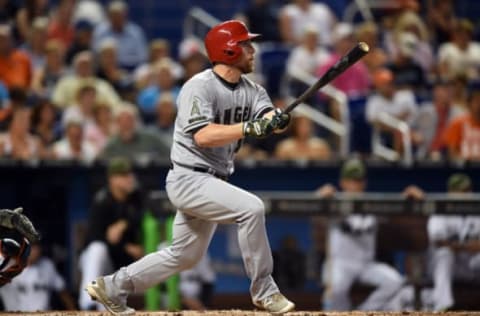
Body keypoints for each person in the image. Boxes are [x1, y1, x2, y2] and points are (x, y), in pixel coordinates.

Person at [85, 20, 295, 315]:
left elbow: (266, 117)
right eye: (245, 44)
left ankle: (112, 286)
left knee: (183, 256)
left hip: (213, 180)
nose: (252, 50)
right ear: (229, 50)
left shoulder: (253, 89)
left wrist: (277, 121)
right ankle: (264, 290)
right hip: (188, 177)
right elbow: (204, 135)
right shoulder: (199, 86)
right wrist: (251, 127)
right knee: (252, 209)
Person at [317, 159, 414, 311]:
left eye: (358, 180)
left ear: (364, 183)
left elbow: (397, 207)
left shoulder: (372, 203)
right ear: (343, 182)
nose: (355, 185)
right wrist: (320, 195)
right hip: (340, 263)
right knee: (336, 288)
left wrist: (408, 198)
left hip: (366, 265)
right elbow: (315, 209)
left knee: (395, 282)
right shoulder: (335, 202)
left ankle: (362, 312)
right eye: (351, 180)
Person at [78, 157, 146, 310]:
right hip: (99, 262)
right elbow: (94, 238)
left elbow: (142, 214)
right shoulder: (101, 202)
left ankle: (98, 304)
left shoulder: (136, 197)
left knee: (107, 310)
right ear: (112, 179)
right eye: (124, 175)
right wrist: (125, 247)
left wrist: (124, 224)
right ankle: (87, 303)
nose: (130, 179)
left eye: (129, 174)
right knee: (97, 249)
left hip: (119, 267)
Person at [424, 173, 480, 311]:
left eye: (464, 191)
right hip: (446, 268)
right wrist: (468, 246)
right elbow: (439, 243)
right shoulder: (441, 211)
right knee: (444, 254)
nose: (461, 195)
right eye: (457, 191)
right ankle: (443, 306)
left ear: (470, 192)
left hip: (470, 265)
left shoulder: (477, 211)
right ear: (449, 192)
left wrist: (455, 245)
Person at [0, 241, 76, 311]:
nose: (37, 250)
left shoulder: (47, 265)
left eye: (38, 246)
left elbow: (62, 291)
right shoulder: (6, 266)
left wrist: (74, 312)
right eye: (33, 246)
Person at [443, 82, 480, 161]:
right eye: (477, 101)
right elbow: (451, 152)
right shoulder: (458, 123)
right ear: (469, 104)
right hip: (465, 168)